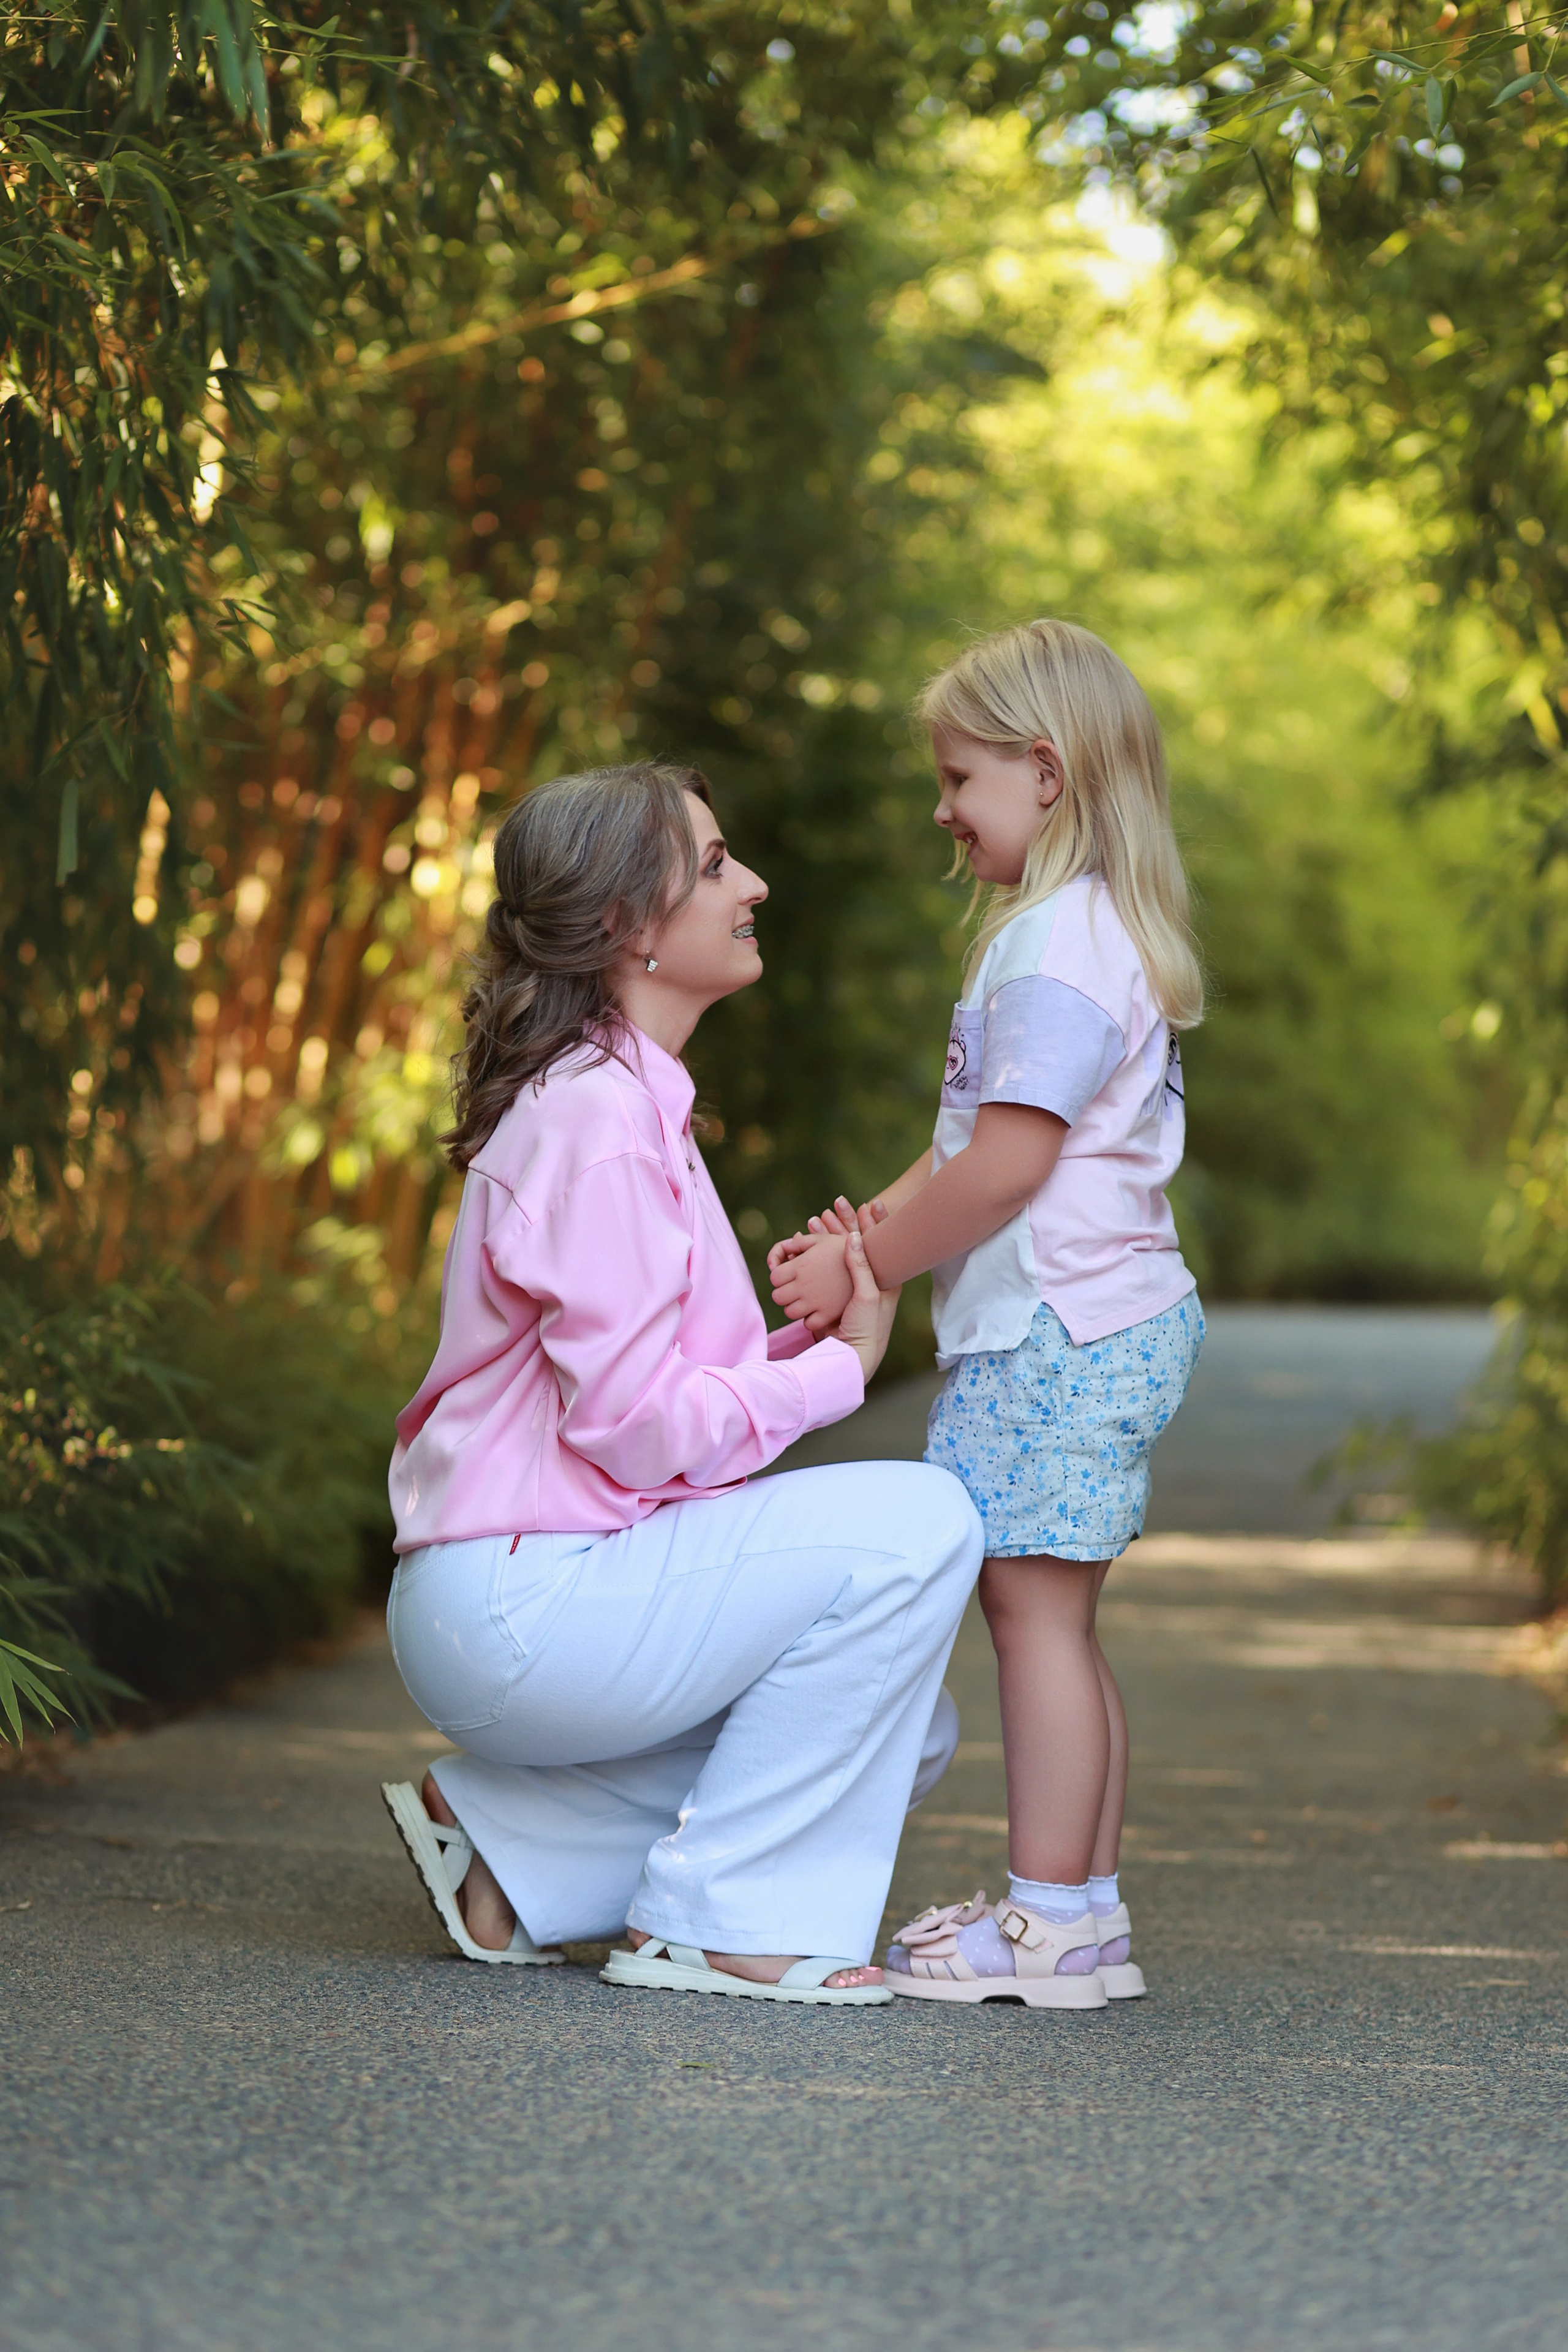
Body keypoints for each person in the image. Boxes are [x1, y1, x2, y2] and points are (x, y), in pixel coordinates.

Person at [380, 760, 983, 2007]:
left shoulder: (630, 1104)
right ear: (623, 927)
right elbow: (638, 1428)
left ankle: (518, 1854)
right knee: (920, 1528)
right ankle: (719, 1927)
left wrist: (803, 1356)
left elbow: (644, 1397)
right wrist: (831, 1376)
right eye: (713, 866)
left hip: (550, 1582)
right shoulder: (592, 1119)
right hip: (521, 1597)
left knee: (901, 1724)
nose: (750, 884)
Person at [769, 621, 1205, 2009]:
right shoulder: (1075, 937)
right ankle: (1080, 1912)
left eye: (959, 779)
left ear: (1045, 770)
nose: (942, 810)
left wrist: (877, 1265)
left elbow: (1007, 1171)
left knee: (1030, 1619)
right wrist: (869, 1242)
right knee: (1053, 1617)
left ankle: (1041, 1927)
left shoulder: (1056, 950)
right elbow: (968, 1142)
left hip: (1057, 1333)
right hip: (1092, 1323)